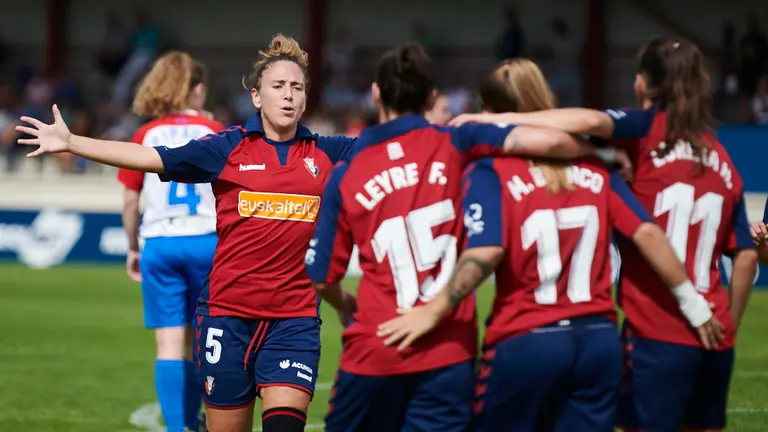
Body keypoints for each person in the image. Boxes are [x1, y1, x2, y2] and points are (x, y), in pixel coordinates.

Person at [17, 34, 358, 432]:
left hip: (293, 322)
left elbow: (397, 143)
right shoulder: (227, 148)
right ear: (256, 97)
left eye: (297, 88)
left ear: (305, 98)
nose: (288, 96)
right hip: (226, 319)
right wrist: (72, 142)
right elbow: (149, 158)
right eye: (278, 86)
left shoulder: (329, 152)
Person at [379, 56, 721, 432]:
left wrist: (433, 310)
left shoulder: (489, 171)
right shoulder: (596, 170)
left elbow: (485, 249)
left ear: (489, 111)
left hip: (525, 338)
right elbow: (649, 233)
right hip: (598, 341)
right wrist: (694, 304)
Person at [450, 37, 758, 431]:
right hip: (699, 336)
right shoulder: (720, 159)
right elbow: (746, 257)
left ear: (642, 84)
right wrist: (724, 325)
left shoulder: (644, 133)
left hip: (655, 329)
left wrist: (494, 123)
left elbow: (591, 123)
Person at [304, 44, 595, 432]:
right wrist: (598, 155)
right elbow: (555, 143)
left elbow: (322, 277)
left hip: (376, 346)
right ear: (431, 97)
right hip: (449, 350)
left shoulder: (348, 171)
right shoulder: (458, 143)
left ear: (376, 93)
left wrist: (344, 304)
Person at [116, 51, 223, 432]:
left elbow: (131, 201)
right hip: (207, 242)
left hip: (161, 243)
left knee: (168, 344)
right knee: (204, 342)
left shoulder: (146, 133)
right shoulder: (216, 131)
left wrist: (133, 247)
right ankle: (202, 421)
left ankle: (179, 428)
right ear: (197, 90)